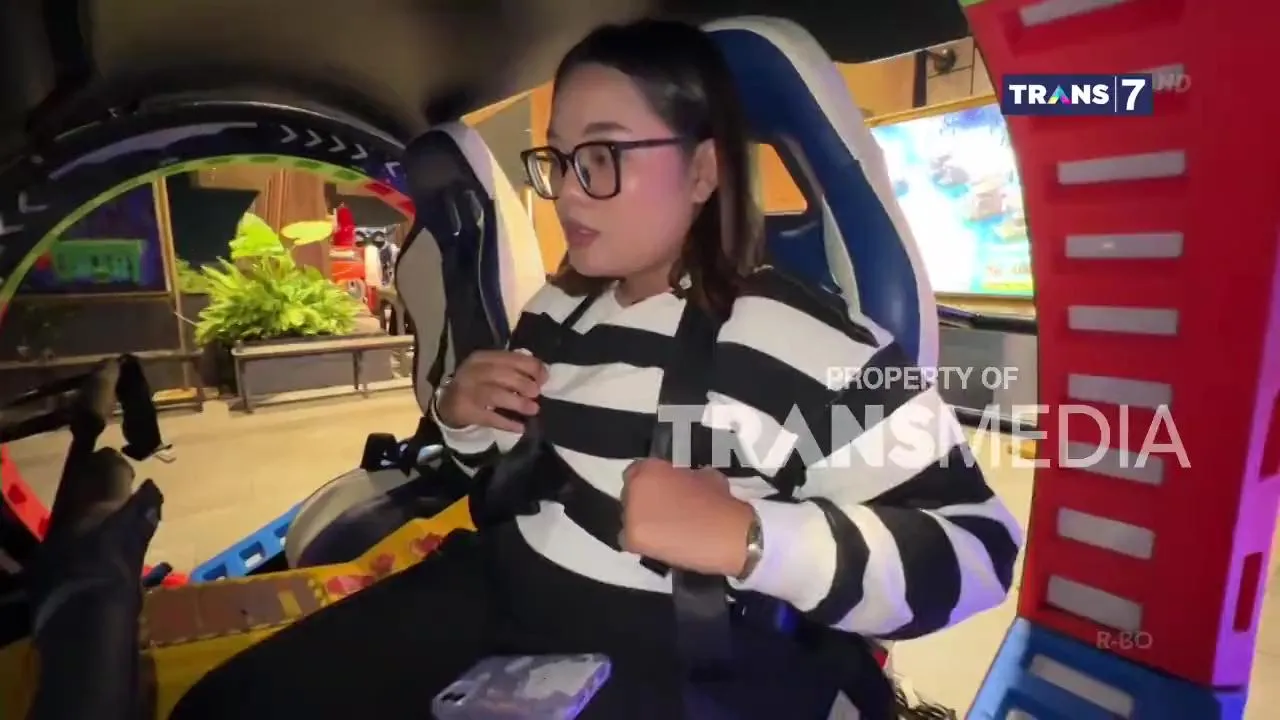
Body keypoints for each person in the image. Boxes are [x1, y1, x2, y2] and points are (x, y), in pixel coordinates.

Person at [171, 19, 1021, 720]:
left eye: (604, 156)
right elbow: (498, 473)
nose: (571, 193)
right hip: (500, 583)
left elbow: (979, 550)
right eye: (559, 158)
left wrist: (753, 537)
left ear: (702, 170)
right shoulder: (558, 308)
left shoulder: (805, 339)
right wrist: (464, 417)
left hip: (675, 646)